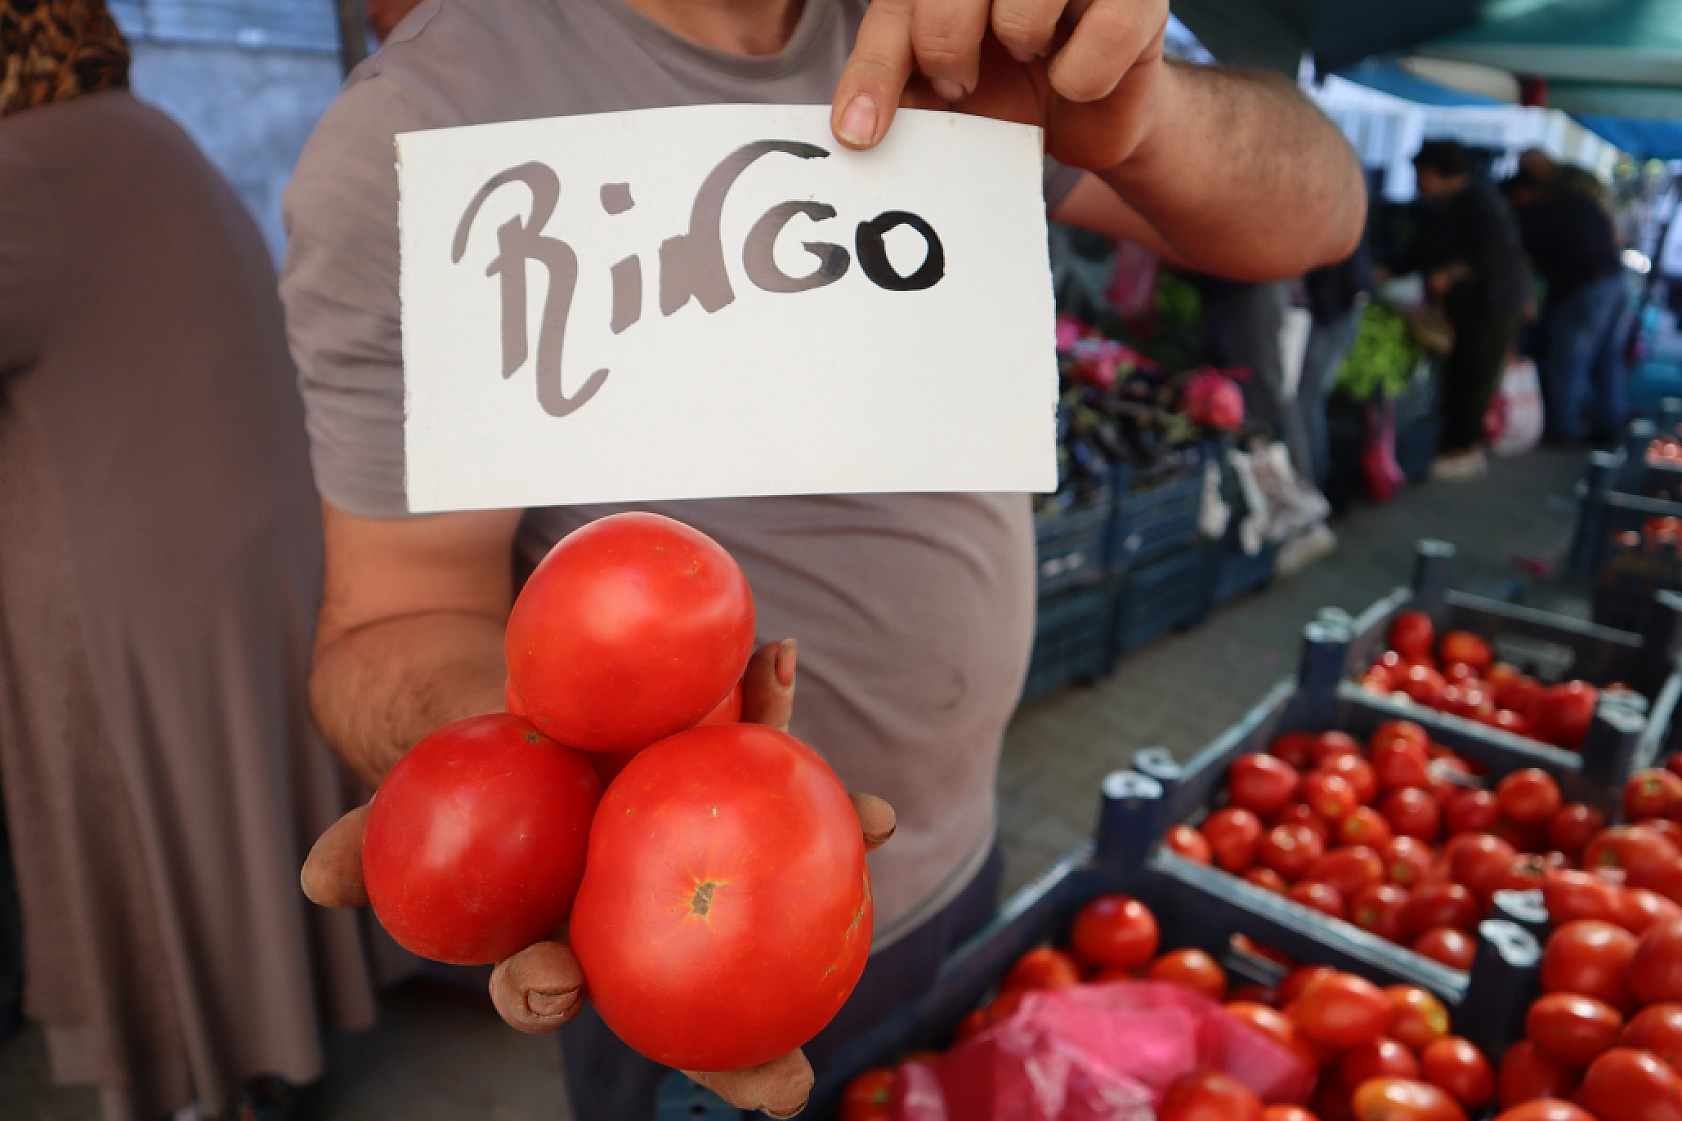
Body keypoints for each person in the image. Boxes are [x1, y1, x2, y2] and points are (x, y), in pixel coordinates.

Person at [280, 0, 1366, 1117]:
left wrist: (1143, 113)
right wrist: (552, 800)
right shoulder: (426, 125)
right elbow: (388, 615)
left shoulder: (952, 35)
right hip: (680, 945)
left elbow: (1318, 212)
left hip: (967, 850)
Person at [0, 3, 382, 1119]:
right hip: (239, 536)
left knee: (158, 823)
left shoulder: (22, 165)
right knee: (242, 811)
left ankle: (202, 1083)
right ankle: (272, 1047)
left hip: (137, 568)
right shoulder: (145, 127)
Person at [1391, 139, 1530, 480]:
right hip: (1466, 305)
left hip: (1492, 303)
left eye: (1420, 172)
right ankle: (1451, 444)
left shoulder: (1480, 202)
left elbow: (1496, 252)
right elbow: (1420, 251)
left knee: (1475, 373)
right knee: (1457, 373)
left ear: (1434, 171)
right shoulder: (1442, 205)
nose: (1417, 181)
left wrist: (1450, 273)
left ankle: (1465, 449)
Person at [1506, 170, 1630, 444]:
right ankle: (1611, 423)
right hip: (1615, 281)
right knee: (1607, 357)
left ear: (1523, 194)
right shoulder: (1581, 203)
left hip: (1586, 289)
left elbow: (1524, 264)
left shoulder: (1540, 216)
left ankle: (1563, 428)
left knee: (1570, 360)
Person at [1299, 238, 1374, 491]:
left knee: (1306, 402)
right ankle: (1312, 487)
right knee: (1309, 401)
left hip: (1335, 305)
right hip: (1341, 299)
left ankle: (1311, 488)